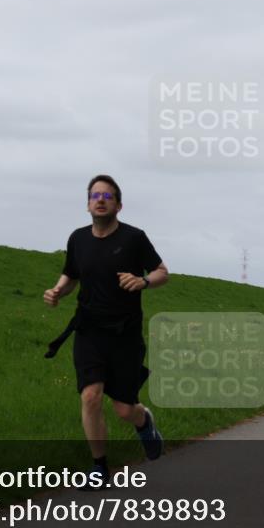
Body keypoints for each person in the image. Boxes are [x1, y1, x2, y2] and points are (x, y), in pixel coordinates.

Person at [44, 175, 168, 488]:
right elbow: (71, 274)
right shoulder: (77, 239)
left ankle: (144, 421)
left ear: (118, 204)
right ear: (88, 204)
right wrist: (59, 290)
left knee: (124, 409)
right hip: (89, 329)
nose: (100, 199)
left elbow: (162, 271)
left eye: (107, 196)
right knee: (90, 396)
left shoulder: (134, 238)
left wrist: (143, 281)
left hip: (124, 334)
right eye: (95, 195)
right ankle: (99, 468)